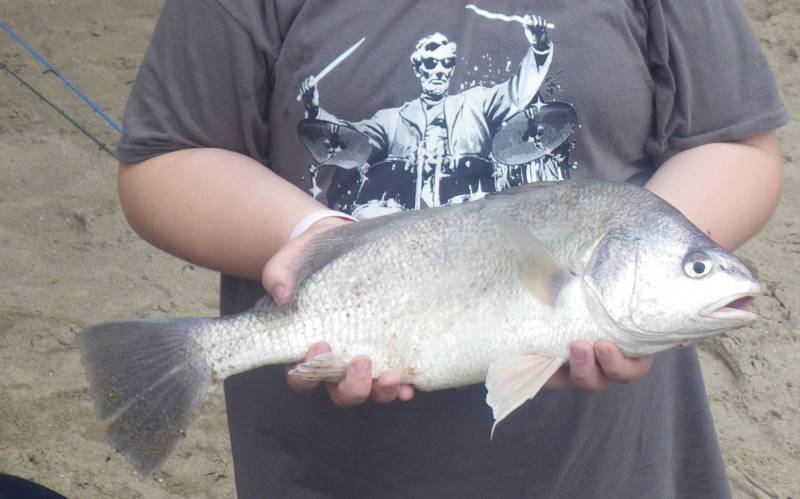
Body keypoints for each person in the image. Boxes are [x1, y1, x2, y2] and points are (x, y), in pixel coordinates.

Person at [115, 0, 787, 497]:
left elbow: (733, 140)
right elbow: (165, 161)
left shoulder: (493, 104)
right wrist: (311, 239)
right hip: (333, 469)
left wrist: (641, 275)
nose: (437, 67)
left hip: (612, 465)